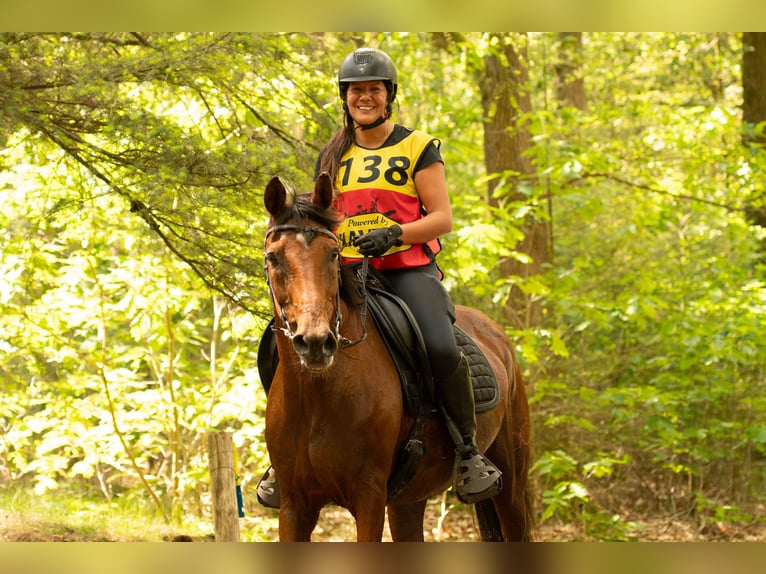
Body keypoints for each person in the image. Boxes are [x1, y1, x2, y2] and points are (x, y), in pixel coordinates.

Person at [256, 47, 502, 508]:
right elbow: (319, 221)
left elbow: (443, 218)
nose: (364, 98)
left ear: (388, 96)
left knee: (439, 343)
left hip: (408, 271)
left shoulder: (417, 146)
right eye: (355, 91)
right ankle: (283, 457)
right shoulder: (332, 154)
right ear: (345, 98)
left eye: (373, 90)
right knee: (277, 340)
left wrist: (395, 234)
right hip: (348, 273)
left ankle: (468, 453)